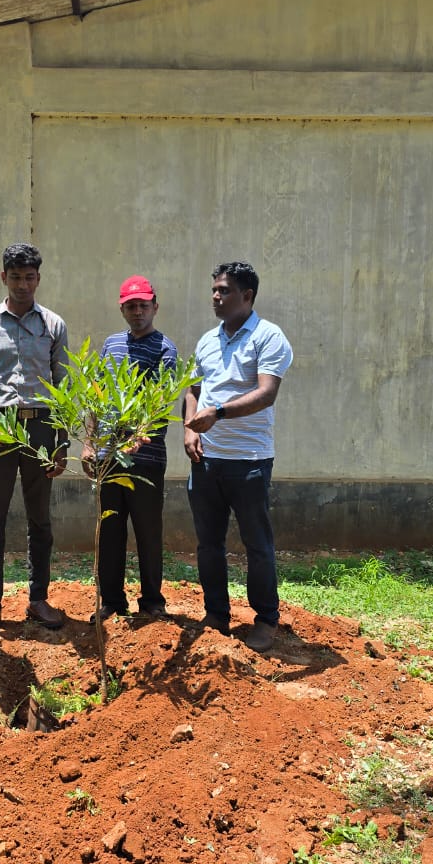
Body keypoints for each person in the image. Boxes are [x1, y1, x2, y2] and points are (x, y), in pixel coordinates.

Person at [183, 260, 293, 653]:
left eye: (224, 290)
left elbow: (266, 393)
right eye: (214, 289)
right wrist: (189, 429)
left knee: (256, 543)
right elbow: (193, 389)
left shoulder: (268, 337)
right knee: (208, 543)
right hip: (206, 460)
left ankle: (265, 619)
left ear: (247, 296)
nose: (216, 296)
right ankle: (216, 614)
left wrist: (219, 413)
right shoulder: (207, 341)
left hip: (249, 460)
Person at [0, 243, 70, 637]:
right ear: (3, 278)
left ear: (38, 279)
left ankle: (38, 598)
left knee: (40, 519)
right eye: (15, 277)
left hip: (41, 429)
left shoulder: (53, 325)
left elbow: (62, 387)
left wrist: (61, 442)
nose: (23, 284)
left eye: (29, 277)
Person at [86, 275, 178, 621]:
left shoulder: (165, 349)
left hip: (146, 457)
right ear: (122, 309)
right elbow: (96, 396)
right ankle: (112, 601)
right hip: (108, 456)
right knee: (110, 530)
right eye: (131, 306)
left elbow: (161, 401)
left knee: (147, 531)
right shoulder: (110, 345)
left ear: (155, 307)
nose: (137, 311)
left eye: (143, 305)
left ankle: (152, 601)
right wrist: (90, 444)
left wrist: (137, 438)